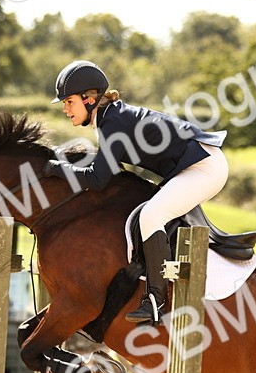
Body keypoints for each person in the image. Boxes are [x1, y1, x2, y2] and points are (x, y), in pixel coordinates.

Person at [40, 60, 228, 325]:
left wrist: (54, 167)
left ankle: (156, 300)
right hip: (197, 165)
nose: (65, 108)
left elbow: (97, 178)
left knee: (150, 216)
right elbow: (101, 167)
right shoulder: (110, 118)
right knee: (148, 213)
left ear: (89, 99)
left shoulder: (112, 121)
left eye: (69, 101)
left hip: (203, 167)